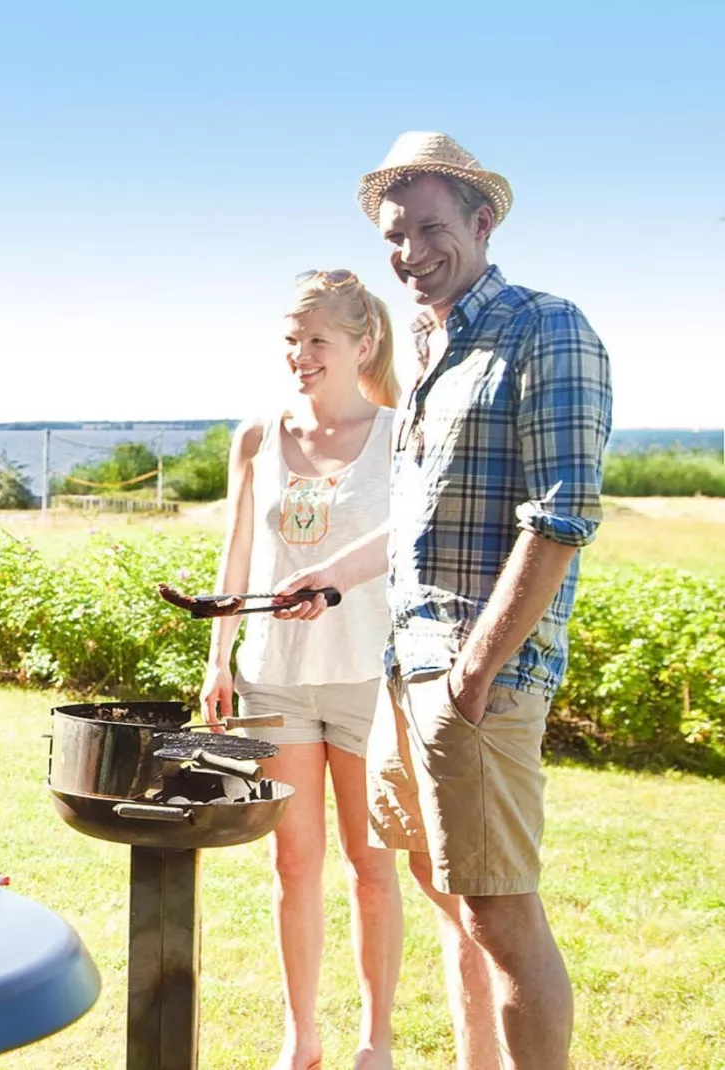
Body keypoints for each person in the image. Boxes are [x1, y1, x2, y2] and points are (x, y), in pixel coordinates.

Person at [278, 133, 612, 1070]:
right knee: (453, 898)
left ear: (482, 221)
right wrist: (336, 575)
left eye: (431, 229)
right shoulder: (431, 350)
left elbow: (560, 519)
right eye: (395, 235)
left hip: (475, 677)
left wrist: (472, 676)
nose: (410, 252)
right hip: (406, 665)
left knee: (502, 917)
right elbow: (422, 522)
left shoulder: (548, 327)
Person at [201, 270, 402, 1070]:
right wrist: (218, 660)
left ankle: (375, 1041)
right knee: (294, 862)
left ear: (364, 343)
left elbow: (406, 544)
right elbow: (236, 550)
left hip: (367, 678)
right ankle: (303, 1038)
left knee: (372, 865)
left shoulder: (401, 432)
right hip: (275, 676)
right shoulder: (257, 436)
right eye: (291, 340)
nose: (301, 356)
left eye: (317, 340)